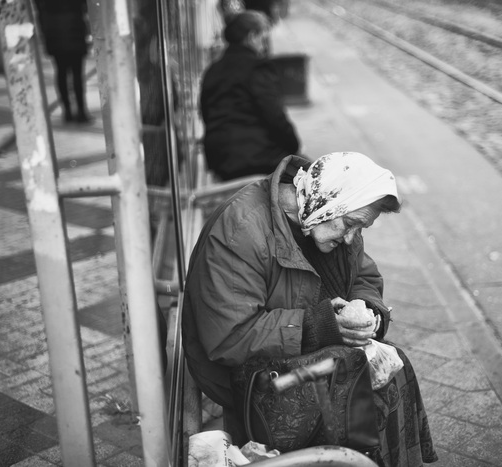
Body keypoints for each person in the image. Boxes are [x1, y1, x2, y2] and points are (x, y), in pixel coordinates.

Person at [182, 152, 438, 466]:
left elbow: (365, 276)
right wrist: (318, 326)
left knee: (392, 366)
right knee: (356, 382)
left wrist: (369, 309)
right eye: (350, 224)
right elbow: (230, 338)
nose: (351, 238)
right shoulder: (241, 230)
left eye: (360, 229)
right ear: (326, 202)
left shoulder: (325, 216)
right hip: (250, 379)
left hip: (300, 360)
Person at [200, 11, 300, 181]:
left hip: (219, 160)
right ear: (252, 36)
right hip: (256, 158)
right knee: (313, 175)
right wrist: (294, 146)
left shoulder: (212, 70)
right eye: (263, 39)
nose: (263, 46)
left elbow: (206, 114)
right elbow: (275, 116)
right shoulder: (258, 68)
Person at [34, 0, 92, 124]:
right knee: (77, 72)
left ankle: (67, 111)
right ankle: (81, 111)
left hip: (53, 29)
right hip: (74, 26)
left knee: (61, 71)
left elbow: (38, 7)